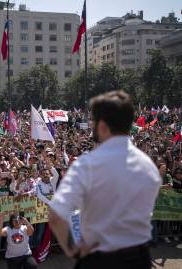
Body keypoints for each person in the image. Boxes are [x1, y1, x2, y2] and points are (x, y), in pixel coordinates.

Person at [49, 91, 161, 269]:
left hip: (97, 259)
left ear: (102, 126)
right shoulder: (149, 166)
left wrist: (74, 251)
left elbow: (55, 216)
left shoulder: (86, 165)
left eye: (93, 121)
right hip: (139, 260)